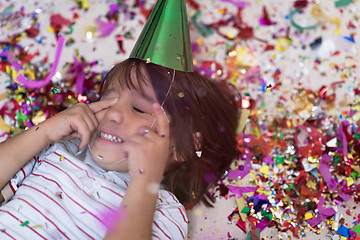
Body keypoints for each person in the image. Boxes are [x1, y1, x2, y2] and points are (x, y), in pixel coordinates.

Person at [0, 0, 239, 239]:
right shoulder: (57, 152)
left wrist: (146, 181)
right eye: (108, 100)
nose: (113, 114)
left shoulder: (165, 211)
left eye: (138, 108)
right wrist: (44, 133)